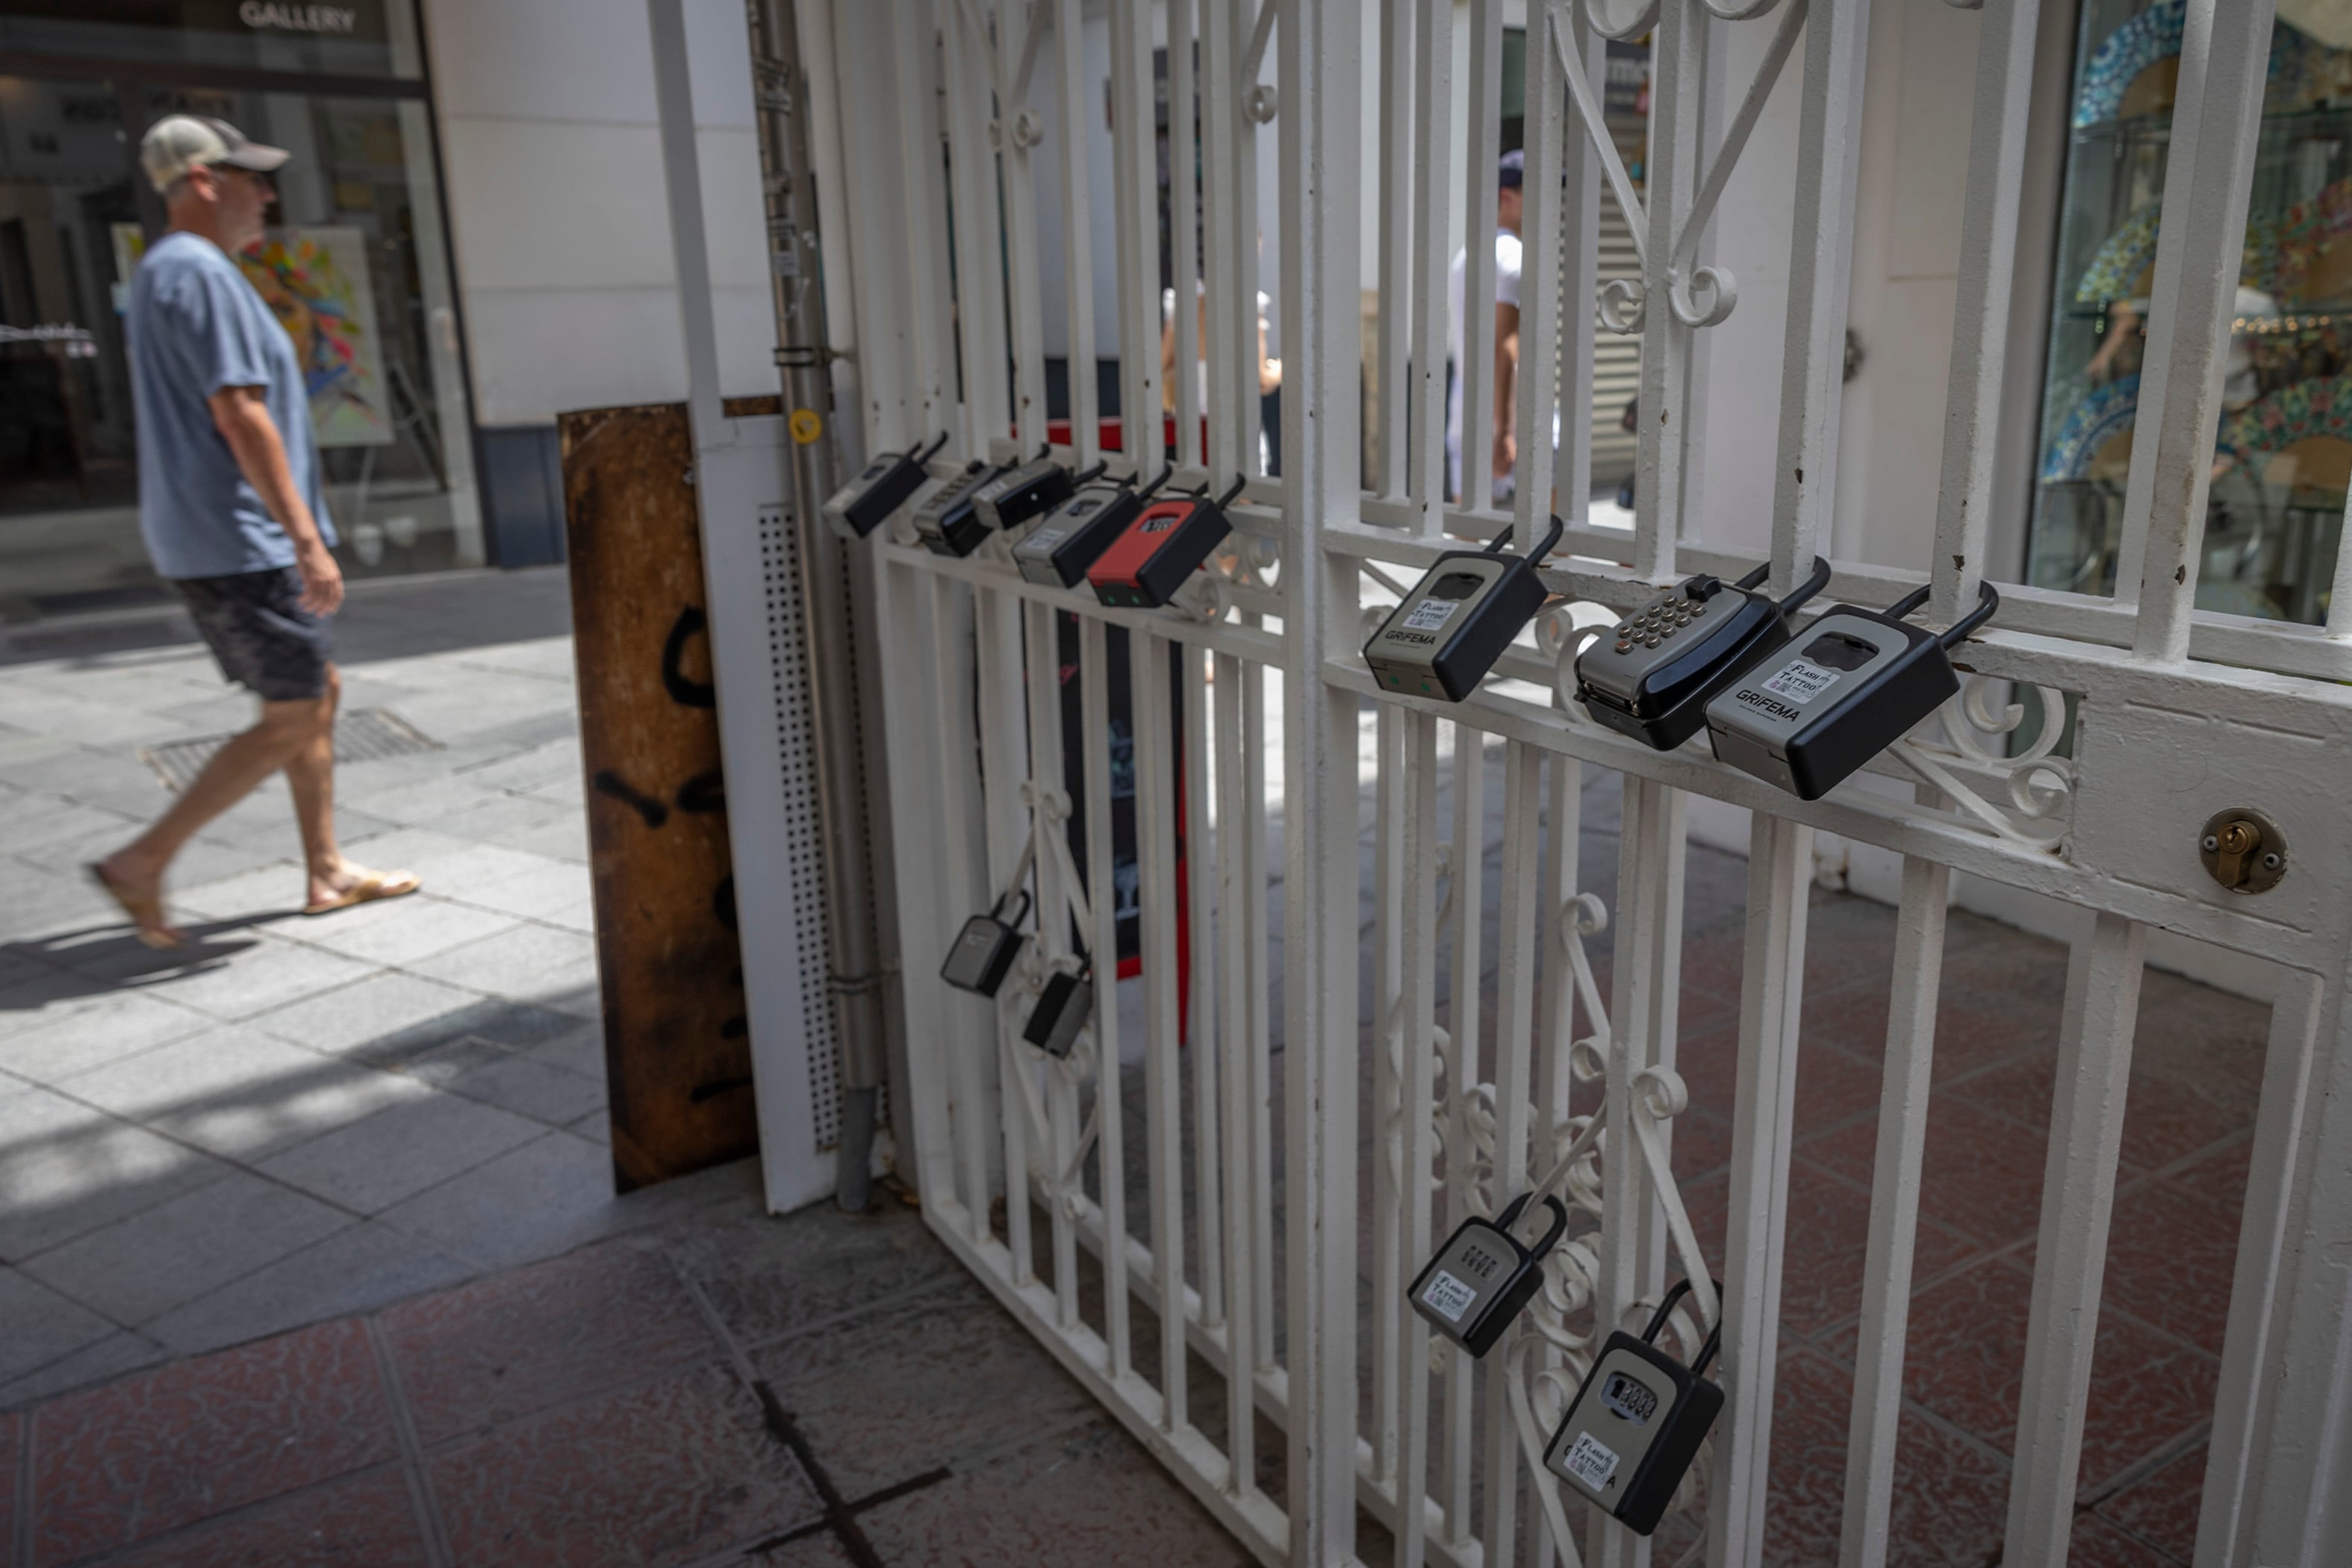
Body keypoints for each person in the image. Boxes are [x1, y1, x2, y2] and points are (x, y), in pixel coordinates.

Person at [90, 115, 417, 948]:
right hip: (242, 539)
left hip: (223, 536)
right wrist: (306, 539)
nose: (268, 193)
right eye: (252, 177)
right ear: (204, 182)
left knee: (316, 692)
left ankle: (327, 868)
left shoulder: (178, 271)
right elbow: (240, 412)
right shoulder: (198, 273)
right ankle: (143, 860)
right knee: (292, 714)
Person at [1448, 149, 1525, 505]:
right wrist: (1505, 430)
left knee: (1471, 532)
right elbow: (1505, 344)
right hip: (1505, 407)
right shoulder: (1513, 255)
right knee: (1551, 540)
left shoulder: (1469, 253)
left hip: (1467, 397)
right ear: (1506, 196)